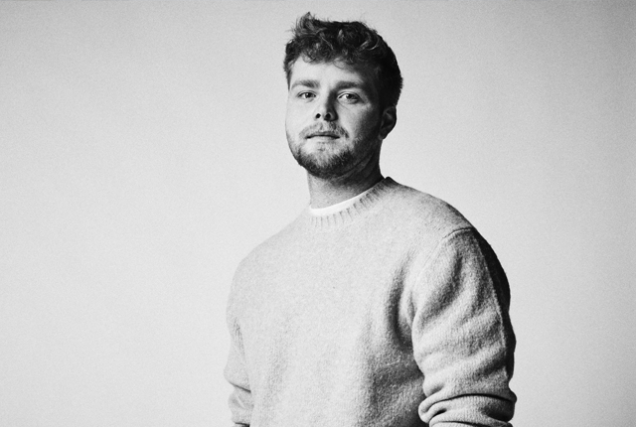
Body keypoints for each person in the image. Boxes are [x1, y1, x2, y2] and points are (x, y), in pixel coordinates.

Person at [224, 12, 516, 427]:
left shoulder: (437, 243)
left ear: (385, 120)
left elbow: (471, 410)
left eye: (348, 95)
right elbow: (246, 415)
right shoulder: (256, 271)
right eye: (306, 93)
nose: (323, 111)